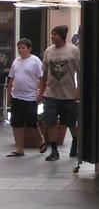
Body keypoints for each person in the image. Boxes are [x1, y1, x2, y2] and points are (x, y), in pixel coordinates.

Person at [37, 25, 80, 161]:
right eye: (51, 34)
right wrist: (41, 91)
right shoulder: (48, 51)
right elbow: (44, 73)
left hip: (68, 95)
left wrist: (78, 91)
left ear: (61, 36)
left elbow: (79, 71)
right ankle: (54, 150)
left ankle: (76, 140)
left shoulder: (73, 51)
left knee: (71, 122)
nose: (52, 36)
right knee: (49, 122)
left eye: (55, 34)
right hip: (51, 94)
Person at [6, 38, 46, 157]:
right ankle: (20, 148)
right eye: (19, 48)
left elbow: (41, 78)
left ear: (29, 48)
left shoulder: (35, 61)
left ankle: (40, 140)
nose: (20, 50)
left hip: (30, 96)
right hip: (16, 96)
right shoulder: (16, 61)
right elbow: (11, 78)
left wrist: (40, 93)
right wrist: (9, 94)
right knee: (16, 124)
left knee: (31, 123)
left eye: (23, 48)